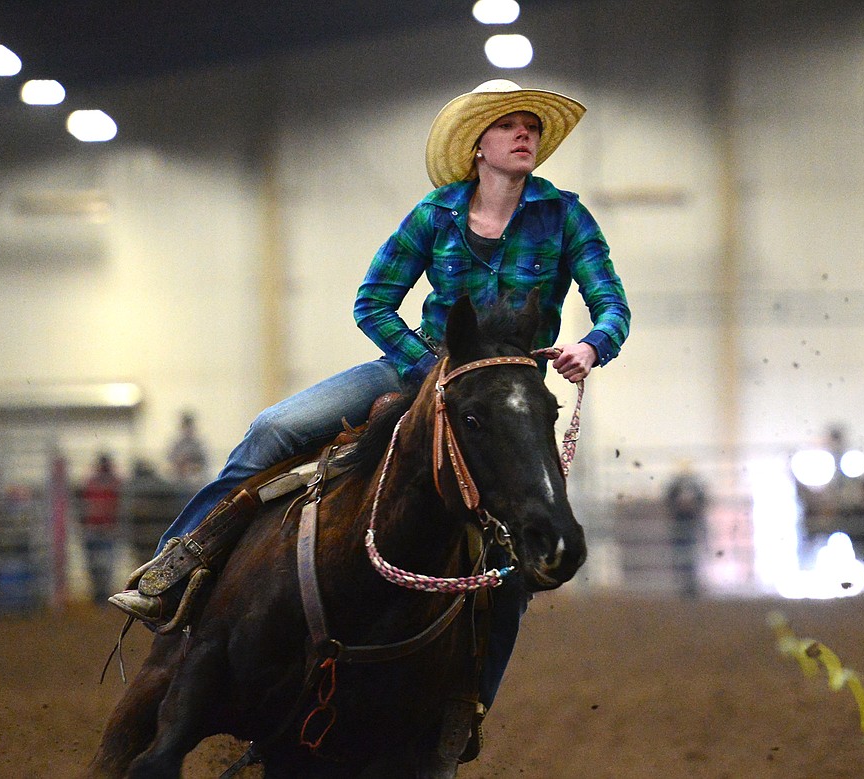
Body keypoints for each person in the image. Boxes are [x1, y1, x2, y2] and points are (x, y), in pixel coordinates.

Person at [110, 79, 630, 714]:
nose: (525, 134)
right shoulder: (434, 214)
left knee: (514, 558)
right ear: (478, 147)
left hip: (500, 393)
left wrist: (593, 345)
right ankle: (176, 562)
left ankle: (467, 705)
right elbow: (373, 302)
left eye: (531, 126)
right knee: (274, 429)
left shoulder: (566, 215)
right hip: (417, 372)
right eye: (508, 125)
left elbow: (611, 302)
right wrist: (427, 367)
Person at [80, 453, 122, 604]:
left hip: (107, 528)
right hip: (94, 528)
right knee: (95, 565)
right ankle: (98, 594)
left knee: (106, 566)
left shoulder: (113, 483)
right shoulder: (93, 482)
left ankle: (103, 595)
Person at [664, 462, 708, 598]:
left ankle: (692, 585)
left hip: (692, 525)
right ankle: (683, 585)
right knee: (681, 555)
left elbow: (702, 501)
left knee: (693, 555)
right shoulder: (675, 486)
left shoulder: (696, 485)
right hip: (680, 525)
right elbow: (669, 501)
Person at [166, 411, 208, 485]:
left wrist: (192, 468)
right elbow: (169, 463)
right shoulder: (177, 445)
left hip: (194, 483)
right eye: (186, 426)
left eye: (189, 426)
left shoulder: (198, 445)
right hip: (177, 482)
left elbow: (204, 465)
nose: (188, 429)